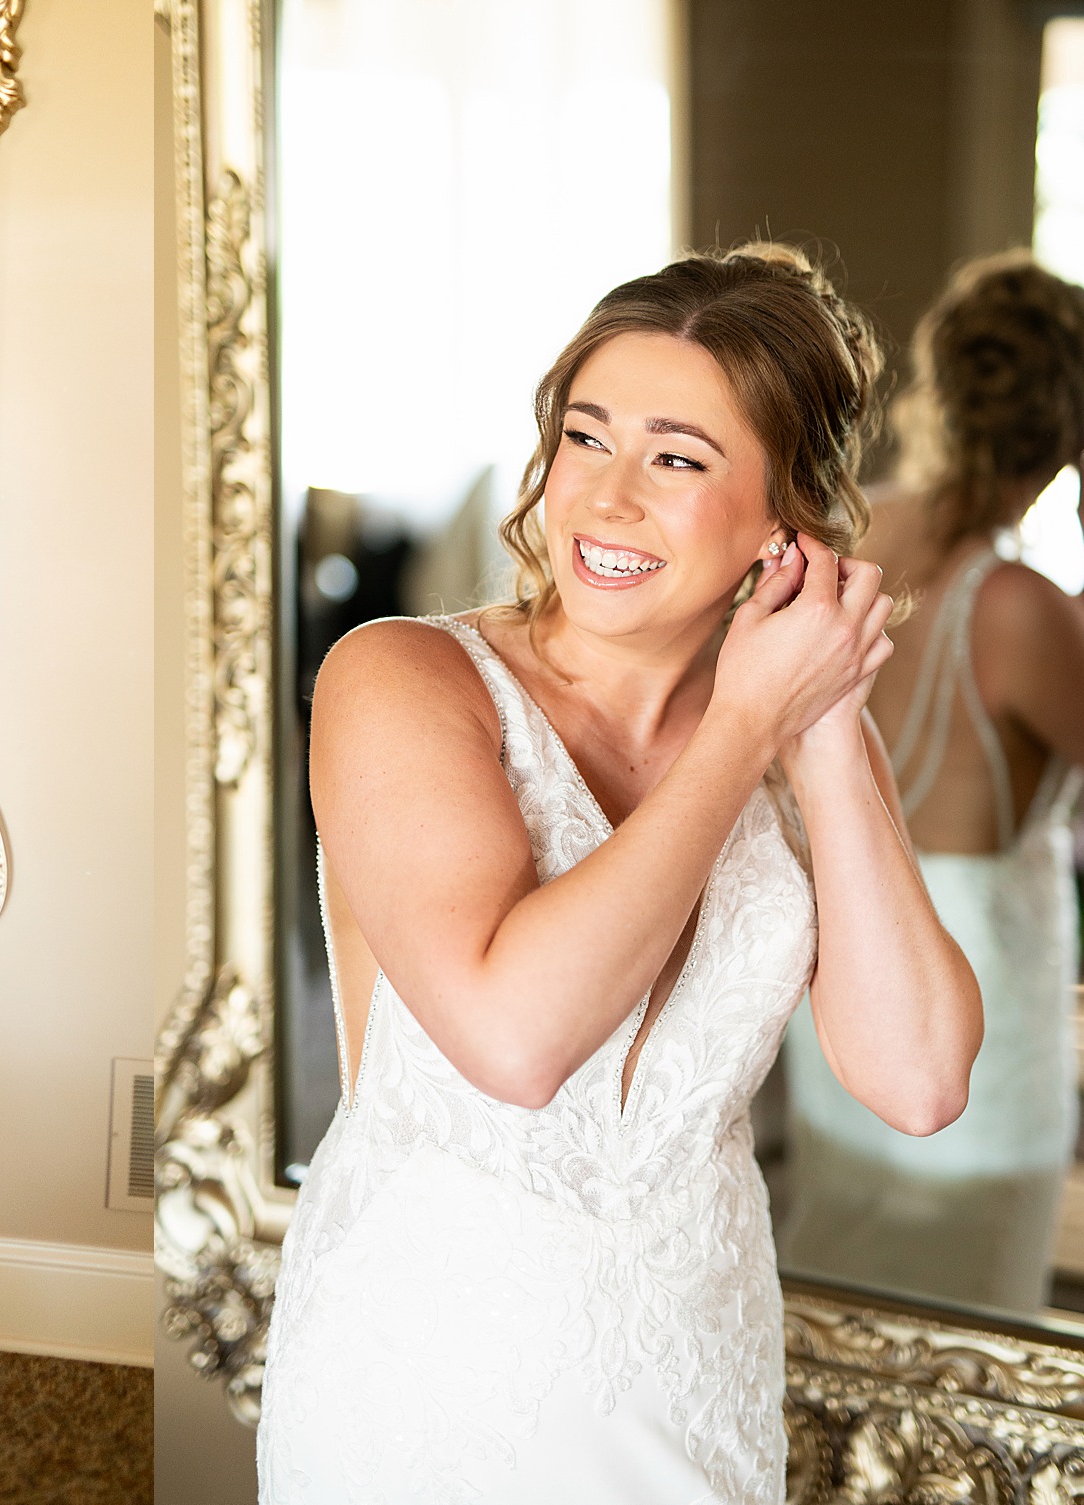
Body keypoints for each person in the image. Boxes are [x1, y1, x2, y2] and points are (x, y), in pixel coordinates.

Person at [255, 245, 981, 1504]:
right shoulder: (402, 678)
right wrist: (744, 727)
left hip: (694, 1390)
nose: (604, 496)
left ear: (784, 518)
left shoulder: (797, 729)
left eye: (676, 459)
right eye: (584, 438)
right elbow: (514, 1039)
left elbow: (916, 1081)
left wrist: (821, 729)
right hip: (420, 1393)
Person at [780, 253, 1084, 1312]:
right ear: (1081, 426)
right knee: (972, 1337)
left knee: (840, 1309)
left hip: (844, 997)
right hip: (970, 1051)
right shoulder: (1024, 611)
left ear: (936, 383)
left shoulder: (851, 534)